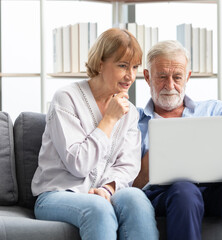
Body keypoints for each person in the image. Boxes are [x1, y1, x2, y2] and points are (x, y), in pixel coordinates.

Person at [31, 28, 158, 240]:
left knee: (136, 198)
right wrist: (109, 119)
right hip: (57, 194)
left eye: (134, 67)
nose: (130, 76)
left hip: (103, 194)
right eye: (122, 66)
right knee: (98, 208)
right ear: (100, 63)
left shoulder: (130, 112)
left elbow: (128, 166)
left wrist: (108, 189)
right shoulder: (66, 98)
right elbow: (78, 164)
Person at [133, 40, 222, 240]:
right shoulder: (135, 121)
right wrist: (160, 151)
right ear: (148, 77)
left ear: (188, 77)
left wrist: (219, 142)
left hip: (215, 189)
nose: (170, 85)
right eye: (162, 77)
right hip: (166, 195)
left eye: (177, 77)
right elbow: (133, 183)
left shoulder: (213, 110)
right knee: (185, 190)